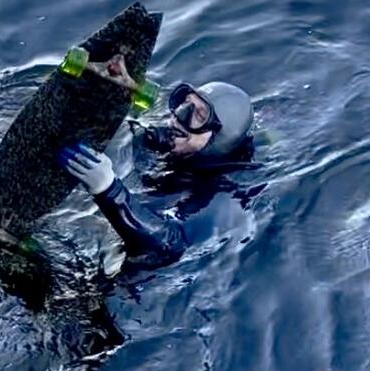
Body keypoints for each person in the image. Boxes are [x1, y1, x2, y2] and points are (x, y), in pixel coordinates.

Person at [59, 54, 255, 271]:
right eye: (185, 103)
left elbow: (169, 245)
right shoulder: (170, 144)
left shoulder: (220, 196)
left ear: (219, 140)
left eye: (198, 115)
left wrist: (109, 190)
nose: (179, 116)